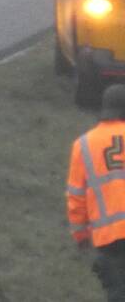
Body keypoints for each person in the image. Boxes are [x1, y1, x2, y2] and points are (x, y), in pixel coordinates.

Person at [67, 84, 125, 301]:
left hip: (107, 236)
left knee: (117, 290)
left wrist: (81, 234)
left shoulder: (82, 145)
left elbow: (76, 195)